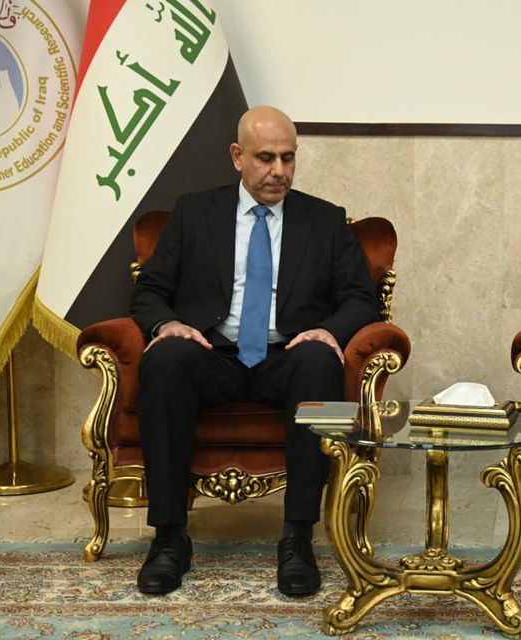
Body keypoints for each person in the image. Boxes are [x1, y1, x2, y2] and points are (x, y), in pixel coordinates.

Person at [130, 106, 378, 596]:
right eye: (266, 158)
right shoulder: (194, 212)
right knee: (165, 357)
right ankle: (169, 538)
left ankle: (298, 538)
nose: (279, 171)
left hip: (288, 355)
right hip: (212, 353)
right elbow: (149, 291)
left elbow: (360, 298)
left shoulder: (324, 219)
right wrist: (169, 324)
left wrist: (328, 330)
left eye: (288, 158)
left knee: (318, 359)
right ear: (237, 156)